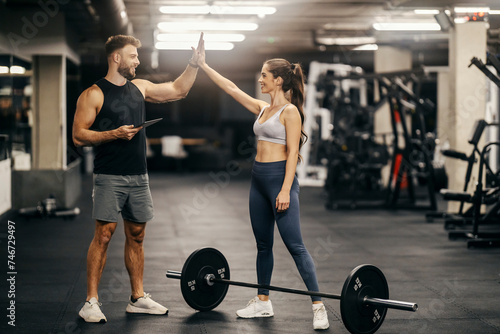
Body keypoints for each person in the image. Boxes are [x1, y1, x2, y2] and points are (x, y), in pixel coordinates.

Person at [192, 39, 329, 330]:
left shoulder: (290, 112)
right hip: (258, 180)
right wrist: (203, 65)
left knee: (296, 246)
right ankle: (263, 302)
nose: (260, 79)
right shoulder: (263, 109)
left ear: (278, 80)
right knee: (263, 245)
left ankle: (318, 306)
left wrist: (284, 189)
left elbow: (293, 153)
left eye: (264, 76)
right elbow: (231, 88)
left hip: (280, 181)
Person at [72, 33, 204, 323]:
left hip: (139, 177)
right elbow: (79, 135)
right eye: (133, 56)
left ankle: (137, 297)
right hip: (109, 176)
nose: (138, 61)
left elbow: (177, 90)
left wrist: (193, 64)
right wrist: (113, 134)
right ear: (116, 58)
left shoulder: (140, 88)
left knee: (137, 235)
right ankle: (91, 302)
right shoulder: (93, 94)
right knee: (104, 235)